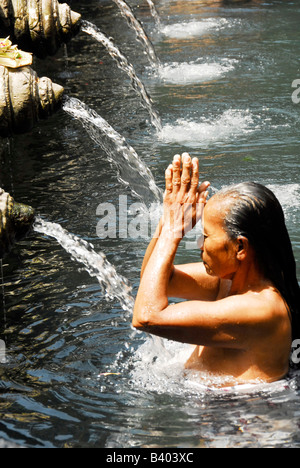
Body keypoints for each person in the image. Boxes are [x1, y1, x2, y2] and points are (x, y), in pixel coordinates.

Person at [132, 153, 300, 385]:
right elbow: (157, 281)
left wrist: (173, 231)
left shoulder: (262, 307)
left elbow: (147, 317)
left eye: (206, 236)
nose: (200, 244)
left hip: (243, 417)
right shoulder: (229, 280)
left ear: (240, 247)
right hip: (216, 409)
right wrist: (169, 219)